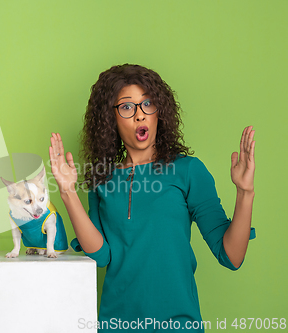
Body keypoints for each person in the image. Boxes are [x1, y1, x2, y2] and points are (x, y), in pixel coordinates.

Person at [48, 64, 256, 332]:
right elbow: (100, 256)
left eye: (147, 104)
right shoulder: (103, 180)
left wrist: (245, 193)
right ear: (110, 119)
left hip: (178, 325)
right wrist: (67, 192)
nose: (139, 116)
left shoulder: (188, 171)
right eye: (127, 107)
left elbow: (232, 256)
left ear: (160, 112)